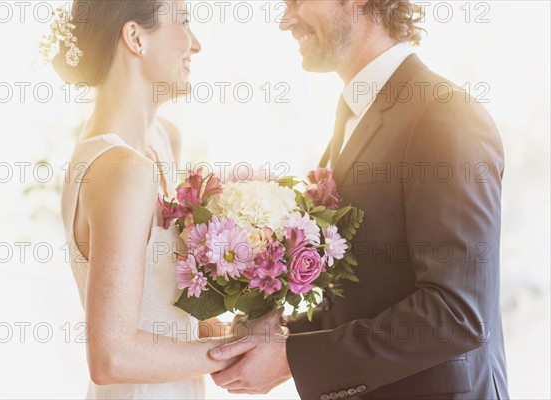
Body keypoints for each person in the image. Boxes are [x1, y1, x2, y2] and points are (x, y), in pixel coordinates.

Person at [209, 1, 510, 399]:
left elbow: (456, 314)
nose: (285, 20)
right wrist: (280, 331)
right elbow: (368, 292)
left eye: (296, 0)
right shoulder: (352, 116)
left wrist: (293, 357)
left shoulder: (443, 114)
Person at [56, 1, 234, 398]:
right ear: (135, 37)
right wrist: (237, 352)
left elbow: (162, 308)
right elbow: (112, 357)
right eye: (185, 23)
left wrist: (236, 327)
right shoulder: (120, 169)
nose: (197, 44)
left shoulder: (163, 139)